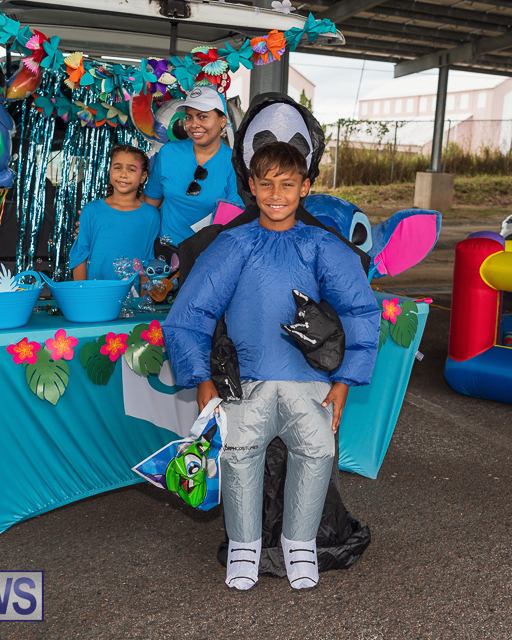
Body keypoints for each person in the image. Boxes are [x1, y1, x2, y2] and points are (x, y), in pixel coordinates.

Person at [162, 142, 381, 591]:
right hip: (248, 383)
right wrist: (201, 380)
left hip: (311, 384)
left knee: (317, 452)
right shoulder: (234, 244)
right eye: (266, 183)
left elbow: (360, 310)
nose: (276, 193)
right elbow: (191, 313)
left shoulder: (321, 244)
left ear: (305, 187)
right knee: (239, 455)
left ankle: (299, 543)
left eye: (287, 184)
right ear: (251, 187)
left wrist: (343, 382)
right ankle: (244, 545)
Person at [142, 86, 242, 245]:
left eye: (202, 117)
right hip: (166, 254)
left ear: (222, 120)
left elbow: (233, 220)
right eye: (189, 117)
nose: (193, 124)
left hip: (208, 255)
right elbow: (149, 206)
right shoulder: (168, 153)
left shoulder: (234, 163)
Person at [70, 145, 160, 280]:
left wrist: (143, 300)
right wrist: (83, 294)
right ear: (110, 170)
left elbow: (147, 261)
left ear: (143, 176)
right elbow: (80, 255)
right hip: (95, 294)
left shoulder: (151, 215)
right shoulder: (92, 210)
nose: (123, 174)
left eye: (131, 169)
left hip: (133, 297)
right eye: (117, 167)